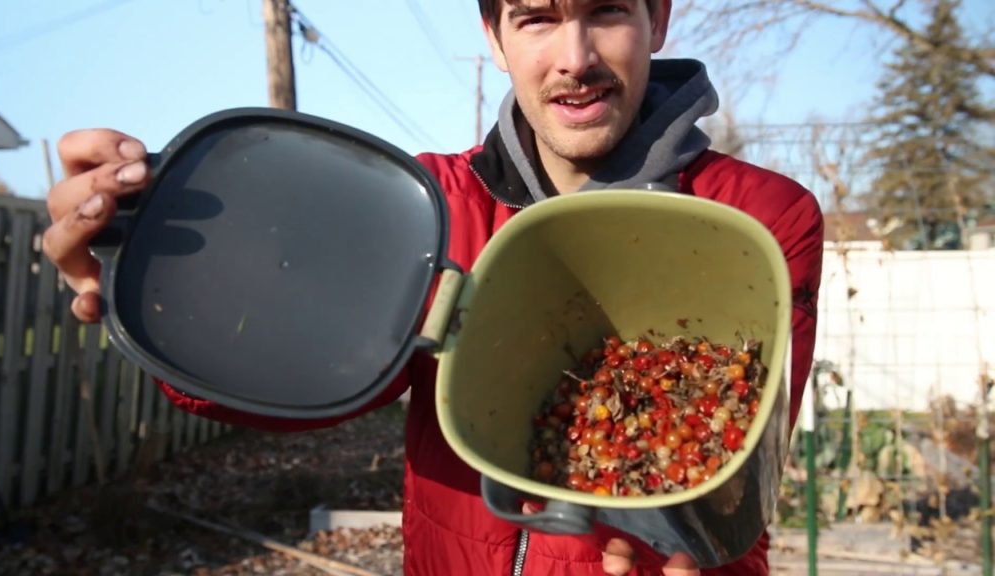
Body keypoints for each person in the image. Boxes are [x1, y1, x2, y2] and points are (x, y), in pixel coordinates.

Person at [42, 0, 824, 574]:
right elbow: (323, 372)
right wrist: (152, 277)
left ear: (657, 18)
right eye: (537, 17)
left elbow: (738, 481)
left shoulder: (757, 220)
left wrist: (698, 554)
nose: (574, 56)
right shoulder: (434, 209)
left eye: (608, 11)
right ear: (494, 37)